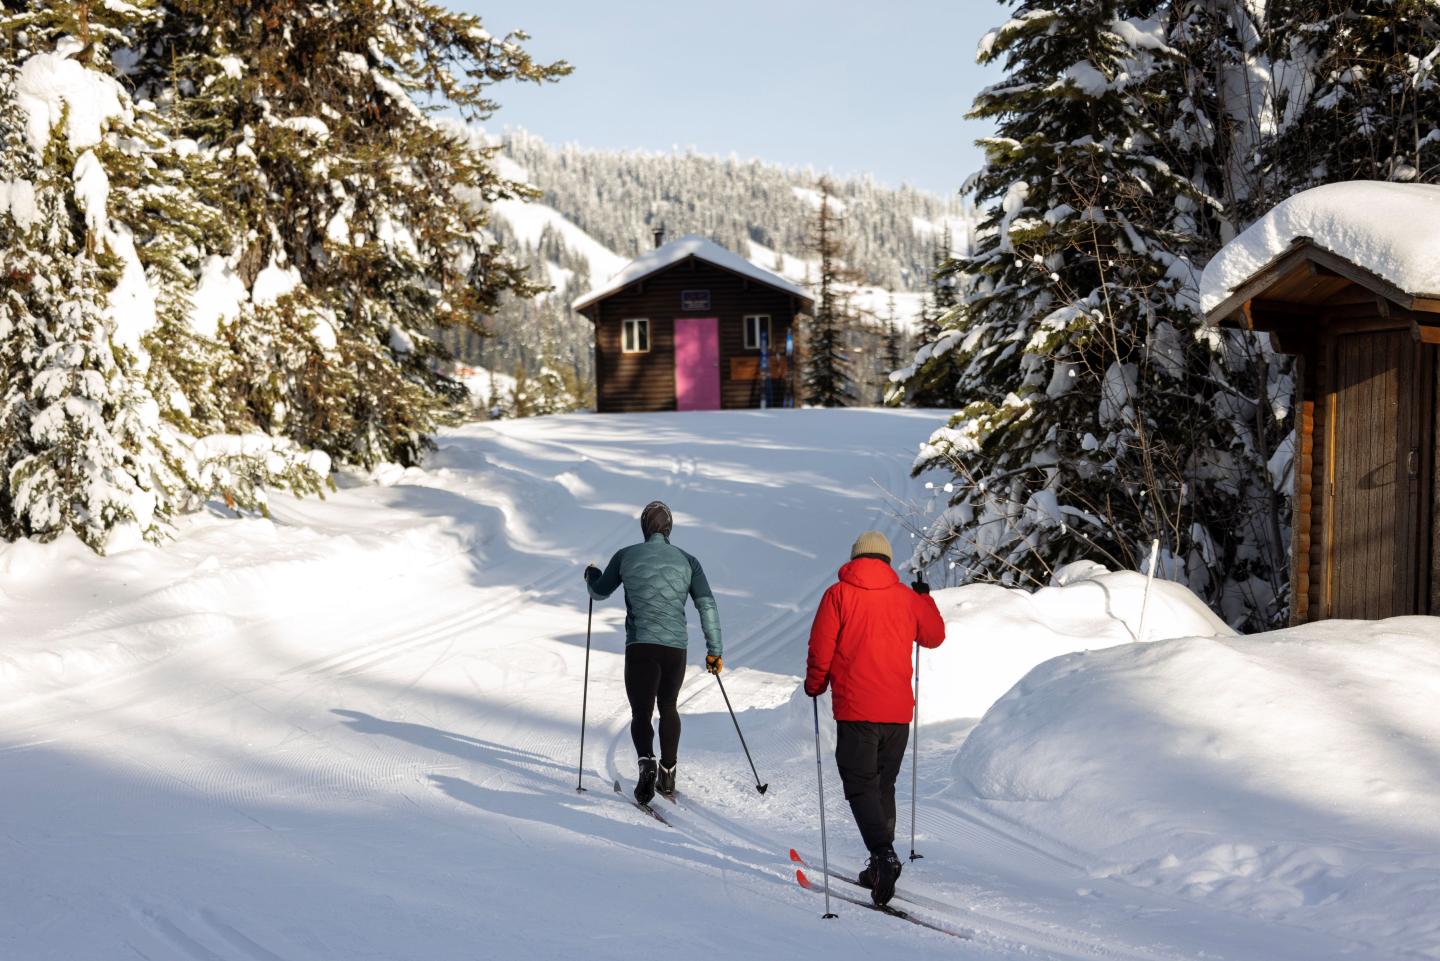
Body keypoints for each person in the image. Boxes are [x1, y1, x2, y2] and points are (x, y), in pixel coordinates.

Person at [804, 530, 945, 906]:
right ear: (885, 560)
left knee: (860, 784)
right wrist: (924, 599)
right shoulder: (905, 597)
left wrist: (815, 684)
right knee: (883, 785)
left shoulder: (838, 594)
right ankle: (882, 862)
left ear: (855, 559)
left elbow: (821, 646)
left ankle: (883, 856)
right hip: (897, 712)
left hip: (857, 709)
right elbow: (933, 636)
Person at [585, 500, 722, 805]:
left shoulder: (626, 556)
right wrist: (715, 651)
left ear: (645, 528)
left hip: (641, 645)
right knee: (669, 706)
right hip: (675, 648)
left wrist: (590, 576)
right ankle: (668, 775)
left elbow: (599, 592)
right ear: (669, 529)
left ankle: (646, 761)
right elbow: (706, 604)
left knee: (641, 712)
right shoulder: (688, 561)